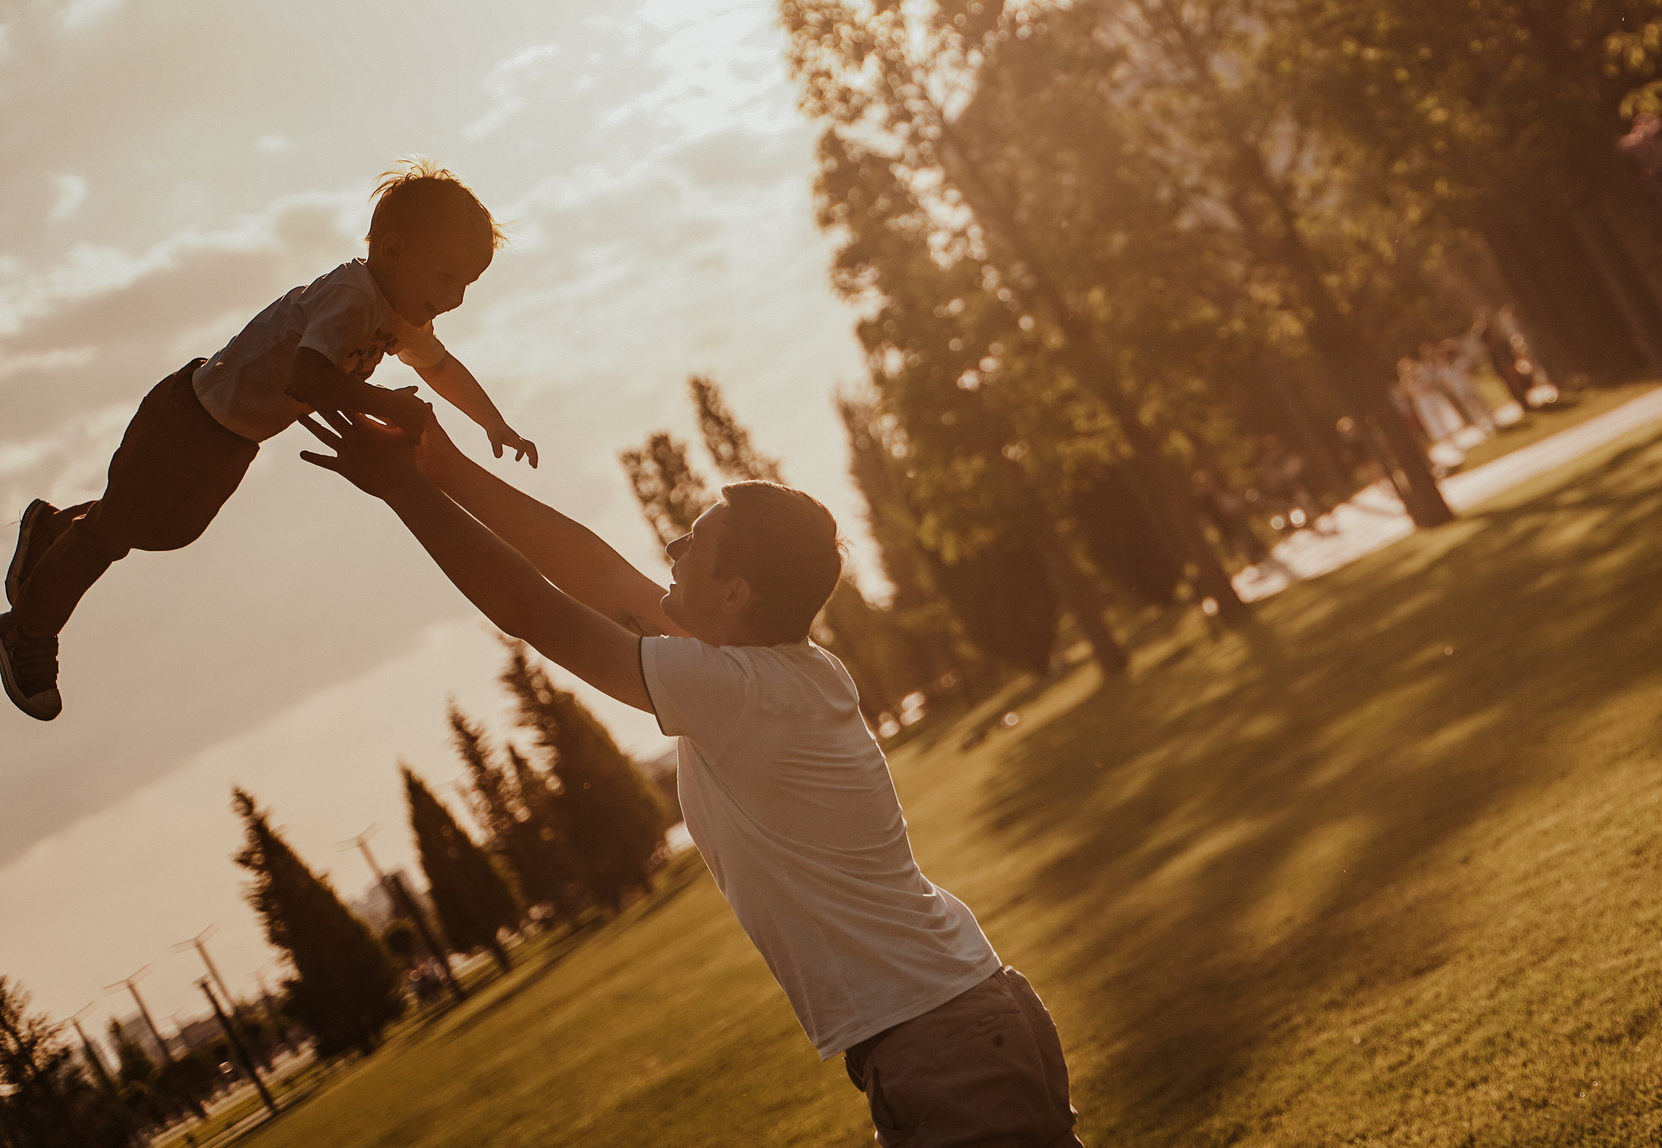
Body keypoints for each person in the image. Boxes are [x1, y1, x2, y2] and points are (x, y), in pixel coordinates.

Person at [299, 409, 1084, 1148]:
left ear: (737, 592)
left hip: (943, 1042)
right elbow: (602, 578)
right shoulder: (780, 671)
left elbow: (533, 608)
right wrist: (443, 464)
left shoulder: (739, 691)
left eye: (693, 542)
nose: (671, 546)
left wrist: (403, 488)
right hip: (962, 1016)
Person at [2, 162, 533, 722]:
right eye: (448, 277)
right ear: (396, 250)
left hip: (235, 434)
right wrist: (384, 402)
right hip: (189, 417)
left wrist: (493, 423)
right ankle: (27, 630)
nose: (455, 298)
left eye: (466, 285)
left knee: (168, 530)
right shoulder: (352, 299)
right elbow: (307, 378)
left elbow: (440, 366)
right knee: (114, 532)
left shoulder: (399, 317)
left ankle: (53, 532)